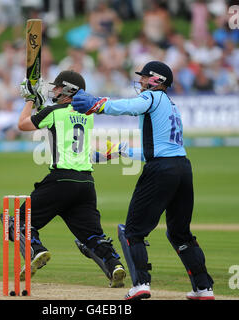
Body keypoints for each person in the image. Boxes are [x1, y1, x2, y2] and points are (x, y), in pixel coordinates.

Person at [71, 61, 215, 300]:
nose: (140, 81)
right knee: (180, 234)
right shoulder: (172, 105)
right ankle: (203, 287)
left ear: (157, 80)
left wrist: (98, 105)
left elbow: (127, 106)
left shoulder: (153, 98)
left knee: (132, 231)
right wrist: (124, 149)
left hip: (161, 170)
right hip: (182, 168)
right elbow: (163, 149)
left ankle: (141, 284)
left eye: (145, 77)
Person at [4, 70, 126, 288]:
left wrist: (30, 100)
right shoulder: (87, 116)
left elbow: (23, 124)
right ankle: (114, 263)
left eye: (59, 87)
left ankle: (36, 251)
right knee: (91, 235)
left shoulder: (55, 112)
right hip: (86, 184)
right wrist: (42, 106)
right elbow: (60, 126)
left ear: (69, 90)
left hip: (60, 181)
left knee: (16, 221)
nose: (55, 90)